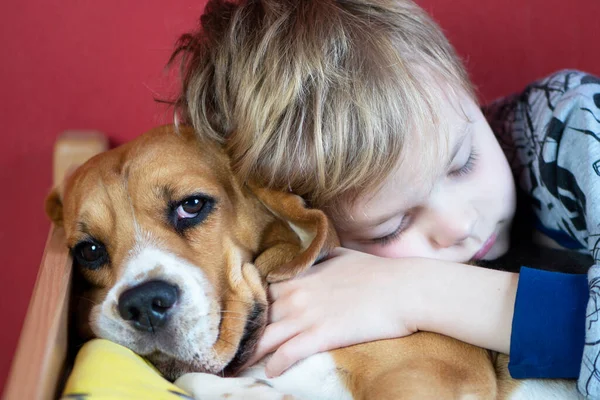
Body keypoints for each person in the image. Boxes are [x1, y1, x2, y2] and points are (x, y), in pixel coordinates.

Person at [169, 0, 600, 396]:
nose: (460, 224)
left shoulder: (575, 127)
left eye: (462, 163)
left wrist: (413, 291)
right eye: (392, 226)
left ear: (467, 91)